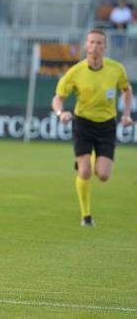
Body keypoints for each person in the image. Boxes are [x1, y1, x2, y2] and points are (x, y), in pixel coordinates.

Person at [51, 28, 133, 227]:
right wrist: (61, 113)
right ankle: (86, 215)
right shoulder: (75, 72)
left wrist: (126, 114)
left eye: (99, 43)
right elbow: (58, 98)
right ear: (86, 46)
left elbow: (126, 89)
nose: (95, 46)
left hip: (106, 125)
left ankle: (88, 159)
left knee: (103, 175)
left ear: (105, 46)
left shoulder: (116, 69)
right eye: (91, 42)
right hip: (83, 123)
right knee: (85, 171)